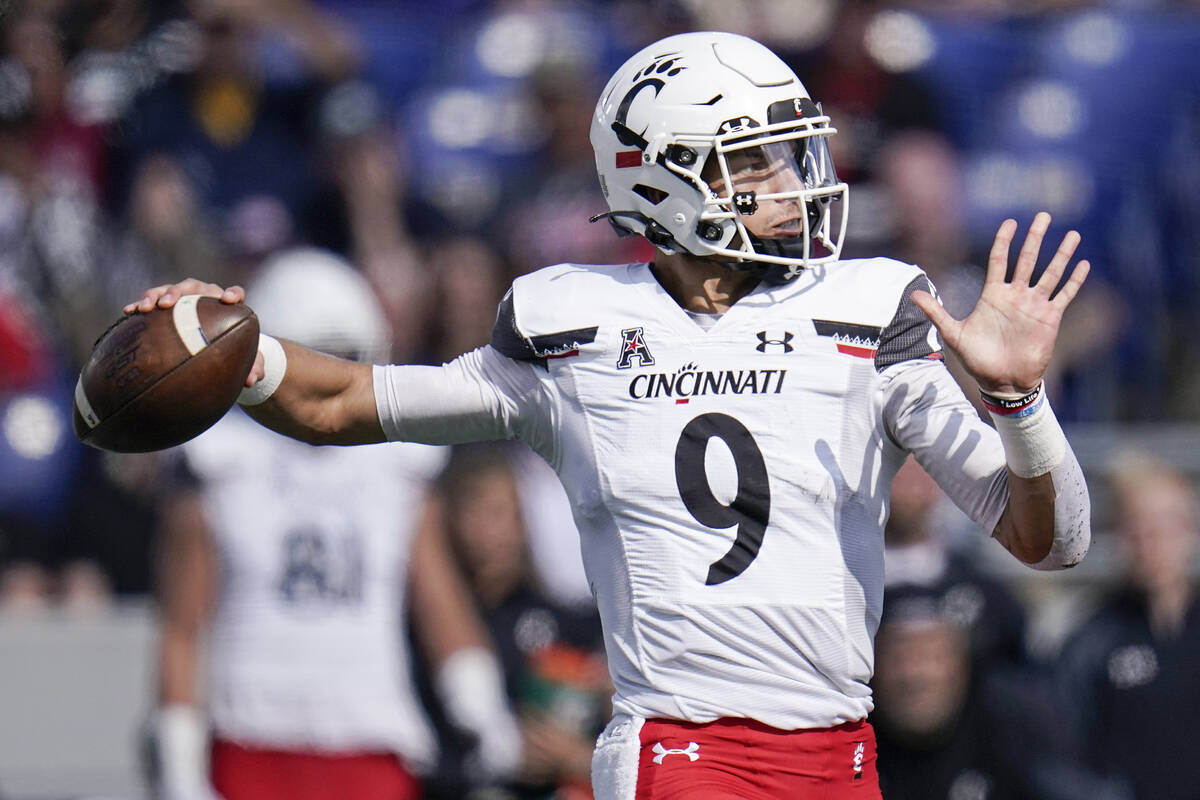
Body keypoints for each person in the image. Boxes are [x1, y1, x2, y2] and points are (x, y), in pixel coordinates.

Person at [125, 32, 1092, 799]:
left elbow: (1052, 542)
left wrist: (1016, 401)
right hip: (682, 751)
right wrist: (236, 349)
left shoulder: (869, 314)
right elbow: (345, 401)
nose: (794, 185)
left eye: (789, 158)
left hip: (840, 754)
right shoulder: (573, 332)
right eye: (755, 164)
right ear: (666, 179)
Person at [147, 249, 520, 800]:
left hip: (370, 738)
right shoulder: (221, 462)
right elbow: (182, 628)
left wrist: (481, 707)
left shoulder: (396, 466)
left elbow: (439, 601)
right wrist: (180, 765)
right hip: (252, 739)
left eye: (339, 357)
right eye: (310, 355)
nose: (319, 377)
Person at [1043, 452, 1200, 800]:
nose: (1151, 542)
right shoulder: (1090, 642)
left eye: (1164, 526)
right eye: (1137, 527)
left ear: (1189, 529)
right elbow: (1059, 758)